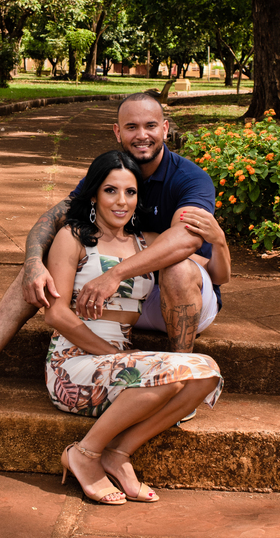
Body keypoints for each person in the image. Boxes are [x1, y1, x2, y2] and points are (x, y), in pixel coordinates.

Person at [0, 92, 228, 404]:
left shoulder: (190, 178)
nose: (141, 135)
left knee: (179, 268)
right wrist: (33, 261)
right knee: (40, 269)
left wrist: (114, 274)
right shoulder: (114, 172)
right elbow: (54, 218)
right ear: (117, 132)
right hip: (127, 299)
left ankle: (177, 382)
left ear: (165, 128)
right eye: (131, 127)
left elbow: (187, 238)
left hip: (179, 295)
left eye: (150, 126)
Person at [44, 151, 222, 504]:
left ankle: (119, 453)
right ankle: (85, 453)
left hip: (120, 368)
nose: (121, 201)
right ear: (94, 194)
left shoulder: (145, 242)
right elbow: (56, 314)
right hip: (73, 364)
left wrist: (218, 239)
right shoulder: (73, 236)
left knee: (207, 372)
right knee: (172, 374)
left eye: (130, 192)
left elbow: (211, 267)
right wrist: (109, 353)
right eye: (111, 191)